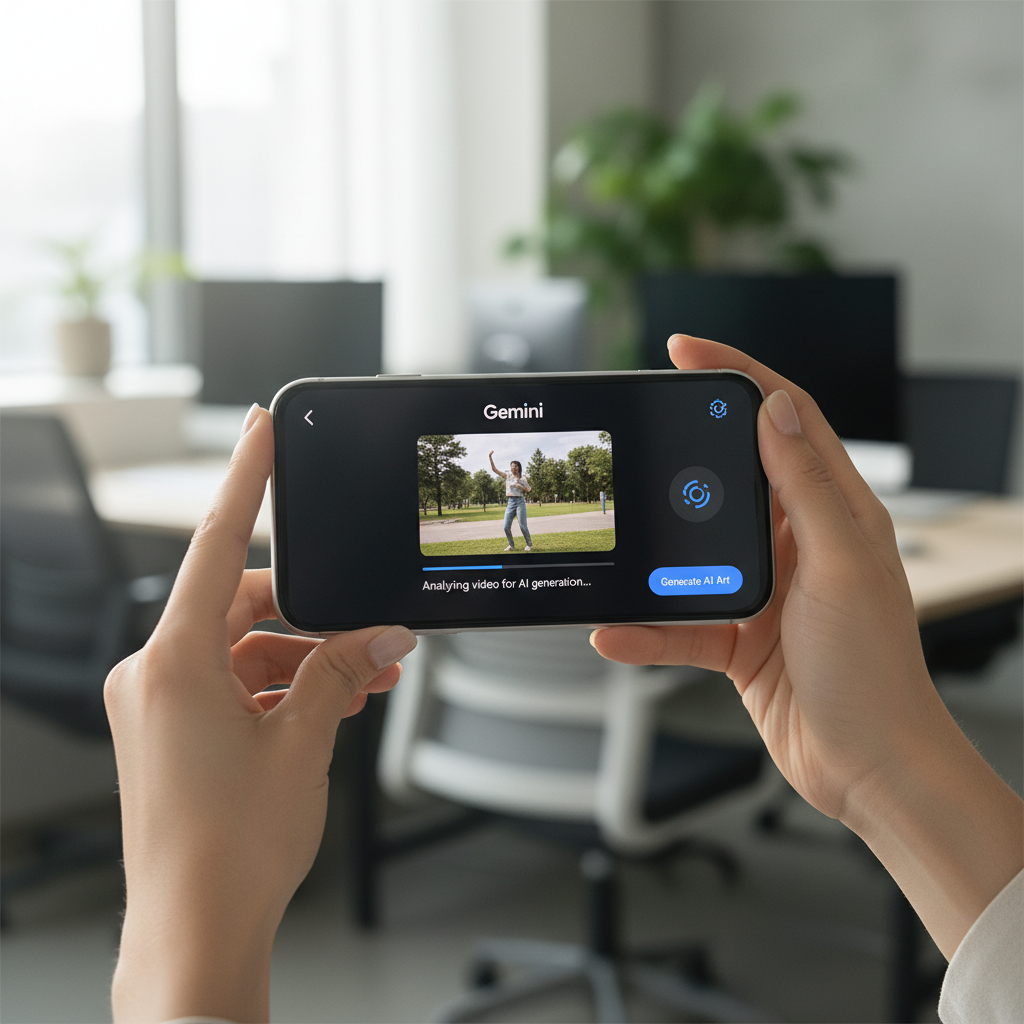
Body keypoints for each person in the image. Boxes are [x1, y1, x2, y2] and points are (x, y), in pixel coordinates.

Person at [105, 336, 1021, 1024]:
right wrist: (890, 765)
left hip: (472, 739)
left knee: (517, 529)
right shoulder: (503, 474)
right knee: (515, 530)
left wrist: (180, 927)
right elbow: (506, 462)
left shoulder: (521, 476)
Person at [488, 450, 533, 552]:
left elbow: (529, 489)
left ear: (519, 468)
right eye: (512, 466)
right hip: (510, 502)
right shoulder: (507, 476)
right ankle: (511, 545)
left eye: (516, 466)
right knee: (506, 527)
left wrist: (520, 486)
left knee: (522, 526)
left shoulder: (523, 479)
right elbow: (494, 469)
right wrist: (490, 457)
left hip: (520, 502)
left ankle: (529, 544)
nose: (513, 467)